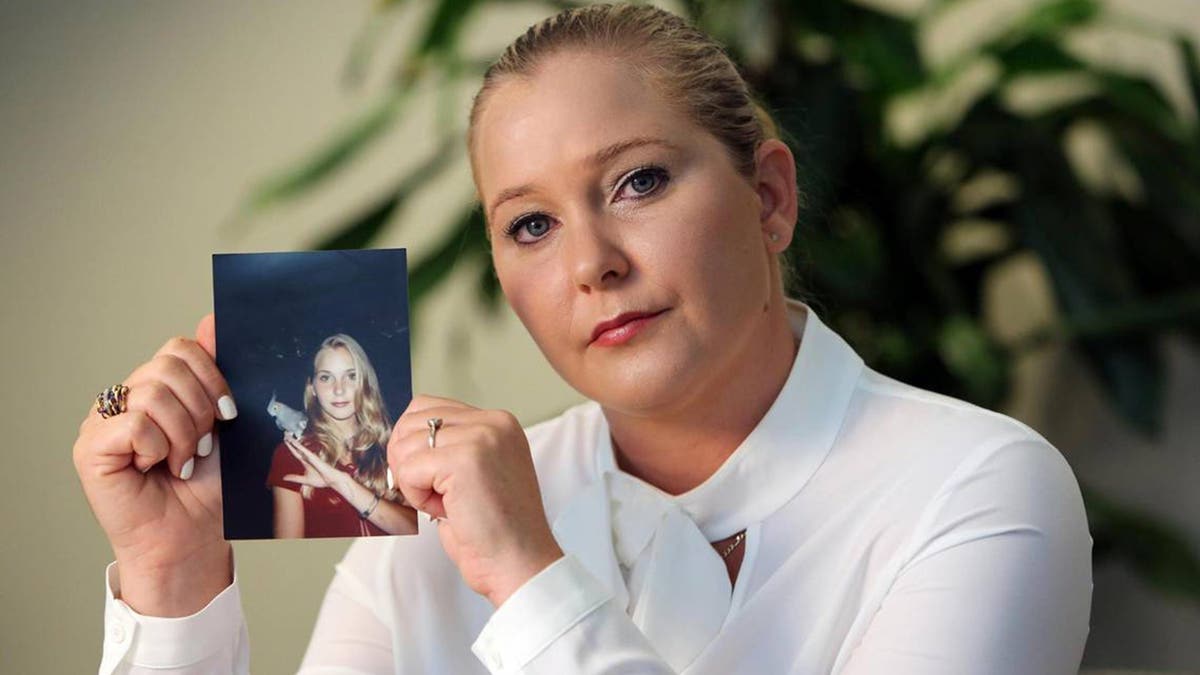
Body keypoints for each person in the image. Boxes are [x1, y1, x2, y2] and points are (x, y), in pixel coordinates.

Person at [73, 3, 1092, 674]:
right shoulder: (417, 530)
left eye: (639, 181)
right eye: (531, 224)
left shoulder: (978, 485)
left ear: (770, 198)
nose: (591, 262)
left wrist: (528, 578)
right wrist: (170, 581)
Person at [266, 333, 419, 538]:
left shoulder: (393, 445)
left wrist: (343, 483)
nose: (339, 389)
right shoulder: (293, 455)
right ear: (312, 388)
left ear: (365, 382)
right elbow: (286, 553)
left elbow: (420, 532)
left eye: (351, 376)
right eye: (326, 377)